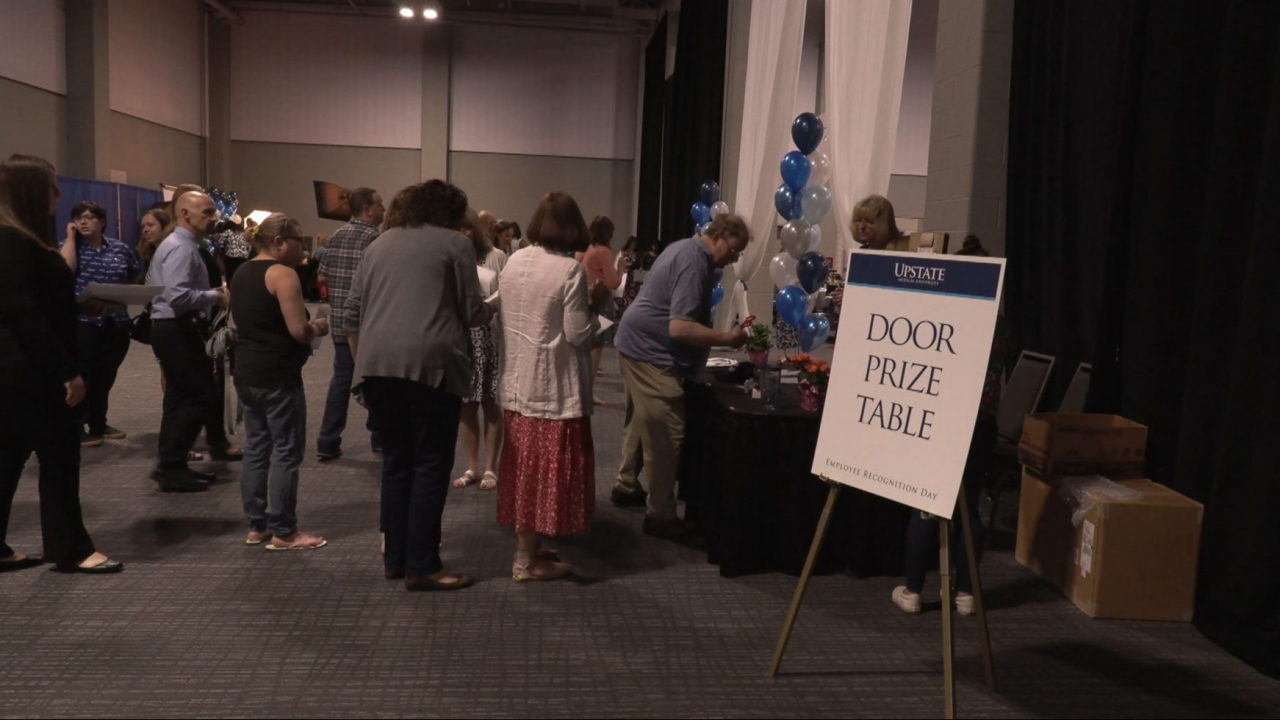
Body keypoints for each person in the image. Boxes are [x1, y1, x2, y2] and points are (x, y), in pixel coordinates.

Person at [346, 180, 496, 592]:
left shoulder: (379, 243)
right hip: (432, 367)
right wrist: (497, 304)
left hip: (377, 366)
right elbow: (473, 312)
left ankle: (395, 558)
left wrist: (363, 365)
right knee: (431, 464)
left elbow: (351, 313)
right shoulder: (454, 244)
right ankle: (424, 565)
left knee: (396, 464)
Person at [0, 153, 123, 574]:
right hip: (32, 373)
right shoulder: (14, 241)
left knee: (9, 458)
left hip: (19, 371)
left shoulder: (19, 238)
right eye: (51, 187)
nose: (57, 194)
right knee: (58, 461)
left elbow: (32, 305)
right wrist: (66, 371)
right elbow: (23, 315)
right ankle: (70, 548)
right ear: (33, 192)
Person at [612, 216, 751, 537]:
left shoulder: (686, 250)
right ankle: (660, 515)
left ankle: (626, 484)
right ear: (717, 236)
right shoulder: (694, 262)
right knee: (666, 431)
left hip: (635, 343)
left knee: (641, 420)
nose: (735, 258)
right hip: (650, 352)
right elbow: (680, 328)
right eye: (734, 250)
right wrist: (727, 339)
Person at [497, 192, 609, 582]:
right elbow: (578, 333)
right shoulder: (568, 271)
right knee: (544, 473)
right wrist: (596, 306)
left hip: (517, 381)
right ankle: (526, 561)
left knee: (525, 470)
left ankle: (531, 549)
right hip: (553, 386)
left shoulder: (514, 260)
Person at [230, 214, 330, 551]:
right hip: (277, 373)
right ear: (278, 242)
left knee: (257, 447)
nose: (304, 247)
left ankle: (257, 525)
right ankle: (284, 531)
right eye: (299, 241)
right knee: (287, 451)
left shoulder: (241, 272)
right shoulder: (283, 274)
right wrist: (318, 327)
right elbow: (298, 331)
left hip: (246, 369)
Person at [149, 191, 237, 493]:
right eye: (208, 212)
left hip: (172, 328)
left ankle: (171, 465)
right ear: (185, 214)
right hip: (177, 328)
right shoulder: (182, 249)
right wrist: (216, 295)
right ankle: (170, 465)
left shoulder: (181, 245)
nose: (215, 217)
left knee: (180, 397)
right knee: (198, 396)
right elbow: (178, 296)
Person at [56, 201, 143, 447]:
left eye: (90, 217)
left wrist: (123, 294)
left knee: (106, 373)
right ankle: (76, 425)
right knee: (85, 373)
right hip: (83, 321)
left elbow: (134, 273)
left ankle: (98, 422)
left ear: (102, 222)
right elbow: (64, 270)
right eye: (79, 217)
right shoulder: (68, 247)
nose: (83, 221)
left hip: (116, 320)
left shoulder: (119, 248)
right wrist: (70, 238)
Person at [316, 187, 384, 461]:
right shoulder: (376, 241)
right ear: (367, 209)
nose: (384, 208)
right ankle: (378, 436)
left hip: (340, 324)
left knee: (341, 381)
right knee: (376, 383)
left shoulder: (335, 236)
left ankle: (327, 440)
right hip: (368, 326)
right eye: (380, 204)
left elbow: (321, 278)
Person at [453, 208, 503, 492]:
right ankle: (472, 466)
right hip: (461, 339)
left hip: (489, 336)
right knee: (466, 405)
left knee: (491, 403)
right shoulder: (449, 254)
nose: (463, 234)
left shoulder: (495, 256)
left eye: (467, 228)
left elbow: (505, 292)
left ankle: (490, 468)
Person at [579, 216, 623, 405]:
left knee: (588, 346)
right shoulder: (603, 251)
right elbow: (614, 283)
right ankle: (588, 392)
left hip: (586, 299)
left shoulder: (589, 250)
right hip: (601, 300)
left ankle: (583, 390)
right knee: (596, 346)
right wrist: (620, 268)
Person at [138, 209, 172, 282]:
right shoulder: (147, 255)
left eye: (150, 225)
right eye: (143, 227)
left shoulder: (173, 252)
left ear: (165, 227)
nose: (145, 230)